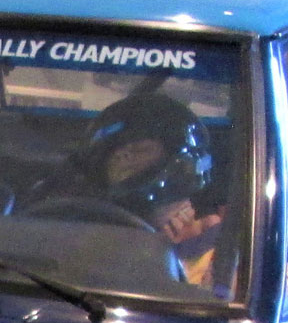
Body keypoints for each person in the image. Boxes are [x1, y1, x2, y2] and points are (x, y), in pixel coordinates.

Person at [40, 91, 226, 287]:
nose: (123, 156)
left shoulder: (212, 248)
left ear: (178, 165)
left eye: (139, 150)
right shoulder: (67, 212)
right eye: (118, 149)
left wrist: (178, 252)